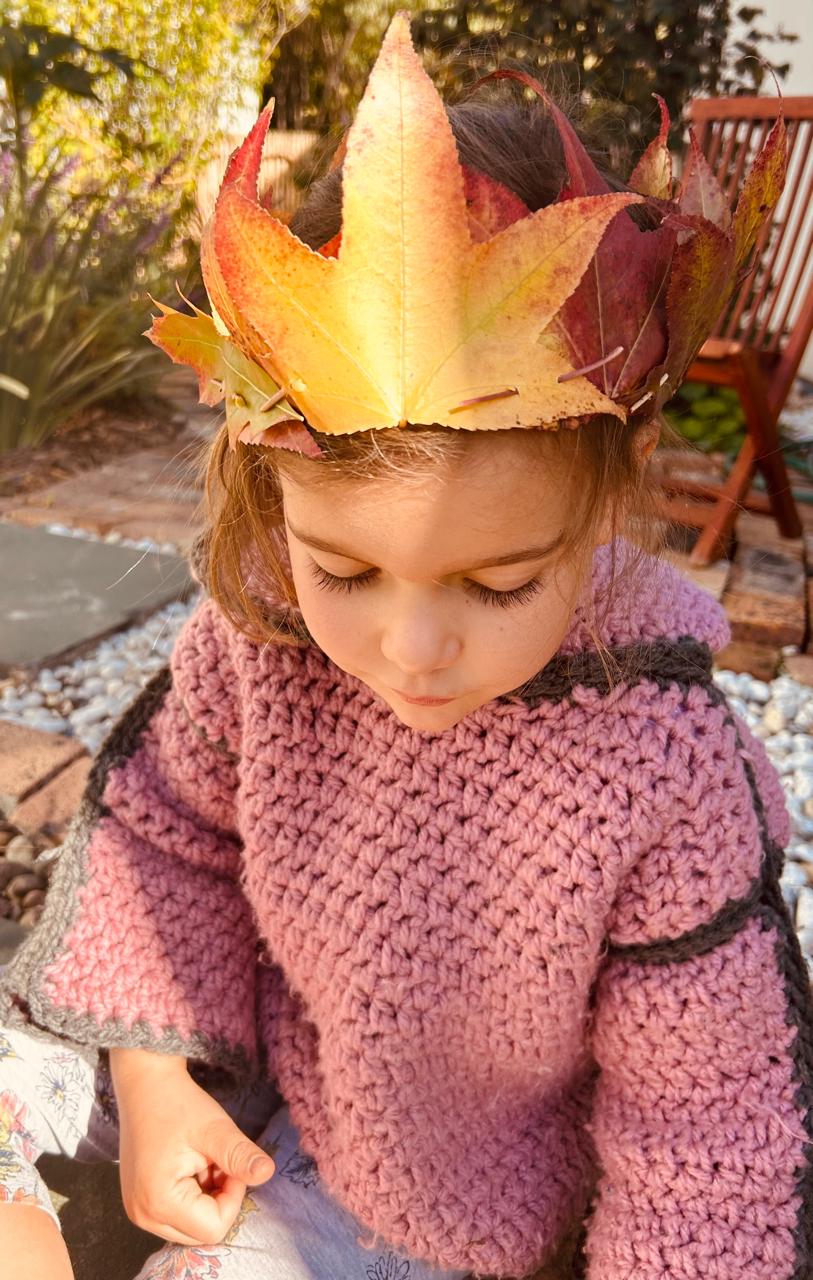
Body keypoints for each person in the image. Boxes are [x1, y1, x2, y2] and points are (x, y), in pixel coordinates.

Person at [1, 12, 810, 1280]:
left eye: (498, 582)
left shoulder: (667, 777)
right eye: (345, 569)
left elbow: (709, 1139)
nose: (411, 645)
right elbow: (160, 837)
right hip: (252, 1070)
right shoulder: (261, 642)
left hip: (429, 1196)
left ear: (609, 495)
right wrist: (152, 1076)